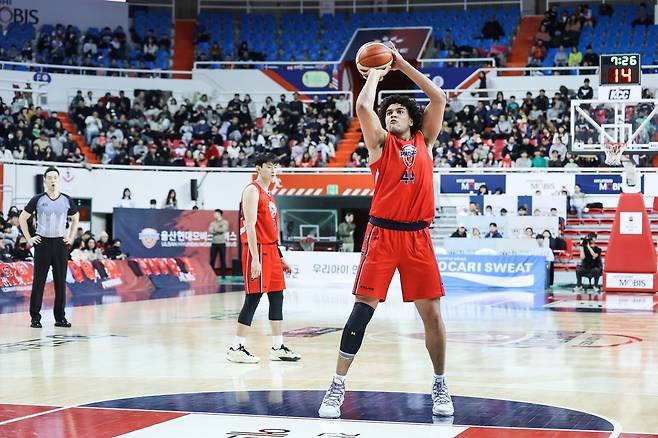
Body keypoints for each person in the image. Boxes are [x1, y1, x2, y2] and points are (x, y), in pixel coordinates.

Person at [319, 43, 453, 419]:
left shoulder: (425, 140)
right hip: (382, 236)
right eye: (388, 112)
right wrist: (376, 74)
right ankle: (336, 387)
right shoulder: (379, 144)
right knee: (362, 311)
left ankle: (440, 384)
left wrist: (401, 64)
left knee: (433, 316)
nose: (391, 115)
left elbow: (439, 96)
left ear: (412, 118)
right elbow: (364, 108)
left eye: (398, 111)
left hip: (418, 237)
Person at [227, 152, 301, 364]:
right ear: (258, 168)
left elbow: (270, 229)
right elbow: (249, 226)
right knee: (253, 298)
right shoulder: (252, 190)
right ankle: (236, 347)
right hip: (256, 250)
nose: (273, 170)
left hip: (271, 251)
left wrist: (280, 257)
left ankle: (278, 347)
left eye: (275, 166)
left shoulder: (269, 194)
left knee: (277, 297)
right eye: (269, 166)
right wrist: (255, 258)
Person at [19, 166, 79, 328]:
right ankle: (35, 318)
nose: (53, 180)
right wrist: (29, 238)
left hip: (60, 244)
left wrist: (71, 237)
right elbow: (22, 218)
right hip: (42, 243)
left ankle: (60, 318)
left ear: (59, 180)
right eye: (49, 177)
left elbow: (76, 217)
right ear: (45, 180)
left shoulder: (67, 199)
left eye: (55, 177)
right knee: (39, 281)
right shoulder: (38, 199)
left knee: (60, 282)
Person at [209, 209, 229, 275]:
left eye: (216, 213)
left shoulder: (225, 222)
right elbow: (210, 231)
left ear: (220, 214)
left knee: (222, 259)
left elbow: (223, 229)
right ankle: (211, 274)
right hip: (214, 243)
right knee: (212, 259)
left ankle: (223, 274)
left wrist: (215, 230)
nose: (214, 215)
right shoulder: (212, 223)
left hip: (222, 243)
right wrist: (218, 230)